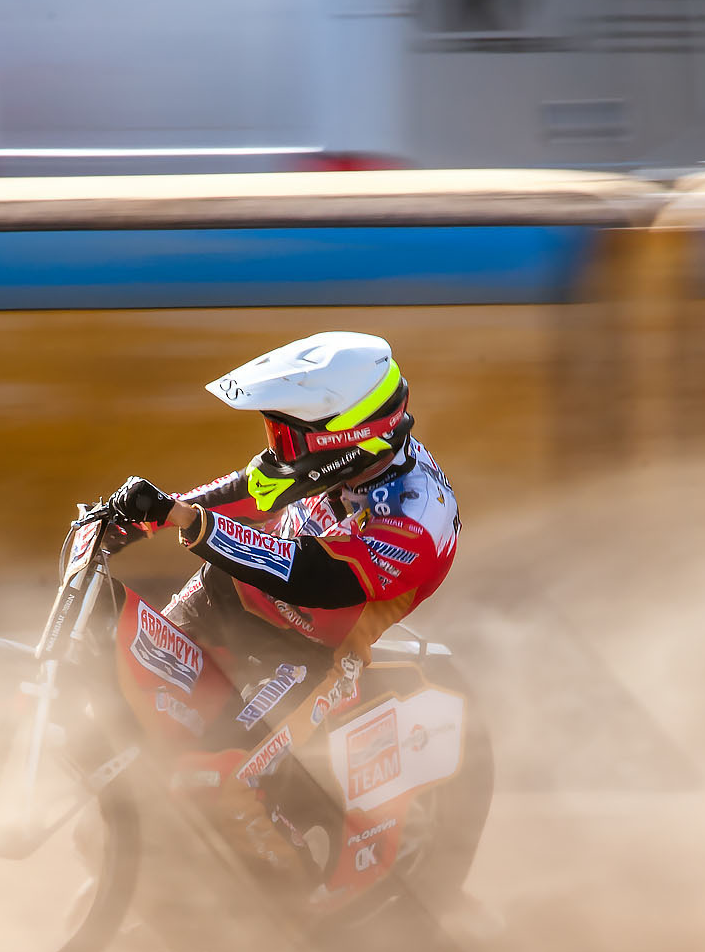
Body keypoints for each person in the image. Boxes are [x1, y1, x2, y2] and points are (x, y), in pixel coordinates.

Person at [104, 330, 461, 872]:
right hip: (224, 598)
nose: (278, 450)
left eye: (290, 438)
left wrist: (191, 523)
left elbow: (313, 578)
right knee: (126, 698)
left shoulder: (419, 513)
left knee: (221, 780)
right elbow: (251, 488)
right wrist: (148, 516)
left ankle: (286, 890)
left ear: (347, 439)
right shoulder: (350, 456)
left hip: (309, 655)